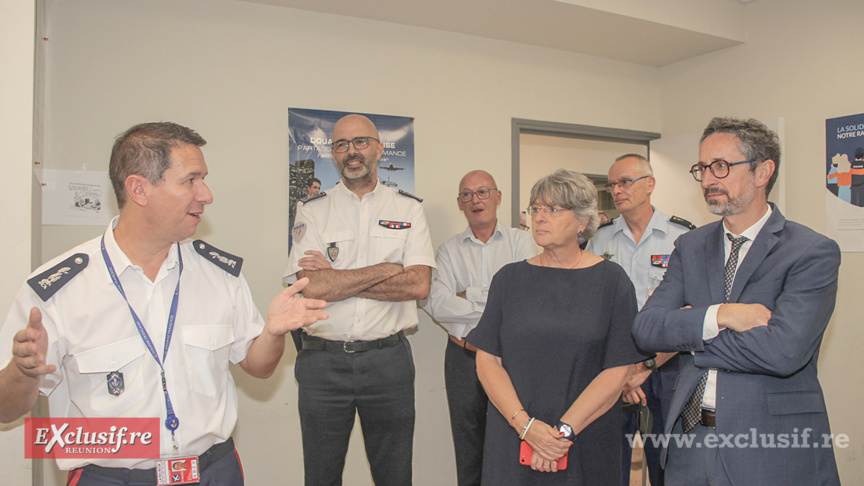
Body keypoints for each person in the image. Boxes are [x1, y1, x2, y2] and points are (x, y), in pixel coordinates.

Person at [0, 122, 328, 485]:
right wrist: (23, 371)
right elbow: (5, 408)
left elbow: (258, 366)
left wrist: (273, 333)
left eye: (203, 179)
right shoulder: (57, 290)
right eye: (190, 180)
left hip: (213, 471)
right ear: (139, 189)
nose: (206, 194)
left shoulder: (220, 275)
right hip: (111, 477)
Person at [632, 117, 842, 485]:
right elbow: (647, 329)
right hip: (689, 444)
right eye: (702, 168)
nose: (708, 180)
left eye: (721, 167)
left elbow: (782, 351)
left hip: (770, 447)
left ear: (763, 171)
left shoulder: (810, 252)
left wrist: (690, 337)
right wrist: (720, 315)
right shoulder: (691, 246)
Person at [466, 169, 648, 485]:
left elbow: (617, 370)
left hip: (583, 438)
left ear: (582, 222)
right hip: (513, 435)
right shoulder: (508, 280)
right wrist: (526, 428)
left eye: (552, 209)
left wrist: (559, 435)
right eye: (536, 209)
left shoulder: (611, 281)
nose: (539, 218)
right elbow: (488, 360)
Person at [283, 114, 435, 485]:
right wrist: (387, 268)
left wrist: (337, 278)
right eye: (341, 145)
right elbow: (310, 287)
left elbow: (418, 285)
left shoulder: (408, 209)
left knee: (394, 474)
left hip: (388, 363)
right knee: (320, 475)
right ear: (332, 155)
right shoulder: (312, 210)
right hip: (323, 363)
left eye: (360, 142)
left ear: (380, 149)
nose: (351, 152)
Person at [422, 170, 537, 486]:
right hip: (463, 359)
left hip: (512, 360)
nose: (476, 200)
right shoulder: (448, 251)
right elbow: (436, 303)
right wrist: (496, 300)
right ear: (459, 203)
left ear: (498, 197)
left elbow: (524, 299)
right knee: (468, 444)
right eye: (467, 194)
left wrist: (468, 294)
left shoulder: (523, 242)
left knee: (516, 438)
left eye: (483, 192)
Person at [586, 154, 694, 486]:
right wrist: (623, 372)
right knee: (609, 465)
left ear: (650, 184)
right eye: (612, 184)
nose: (616, 190)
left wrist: (645, 367)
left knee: (668, 463)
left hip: (667, 365)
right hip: (612, 365)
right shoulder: (599, 239)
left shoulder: (682, 237)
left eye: (625, 182)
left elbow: (692, 309)